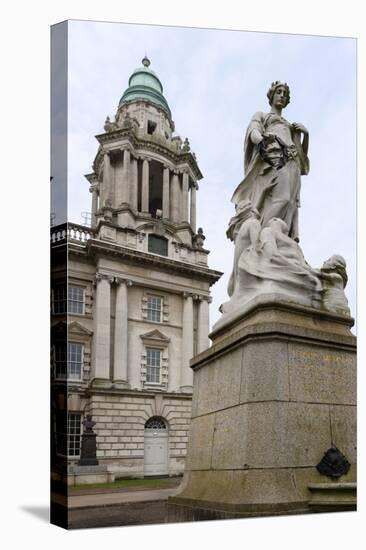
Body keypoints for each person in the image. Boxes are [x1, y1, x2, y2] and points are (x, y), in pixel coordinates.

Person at [231, 81, 310, 242]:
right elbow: (253, 131)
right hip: (274, 159)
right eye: (279, 92)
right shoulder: (262, 115)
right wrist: (261, 141)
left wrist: (306, 135)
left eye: (285, 94)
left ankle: (281, 239)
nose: (282, 95)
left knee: (290, 204)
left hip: (292, 163)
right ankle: (262, 237)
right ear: (272, 95)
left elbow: (303, 160)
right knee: (283, 198)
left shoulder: (290, 125)